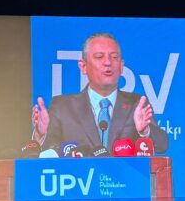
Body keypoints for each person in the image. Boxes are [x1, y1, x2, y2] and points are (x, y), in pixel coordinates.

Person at [31, 33, 169, 156]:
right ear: (83, 66)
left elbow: (162, 146)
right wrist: (40, 134)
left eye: (114, 57)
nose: (108, 62)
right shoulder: (62, 106)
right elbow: (49, 152)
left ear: (121, 66)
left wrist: (145, 132)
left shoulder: (137, 104)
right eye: (99, 57)